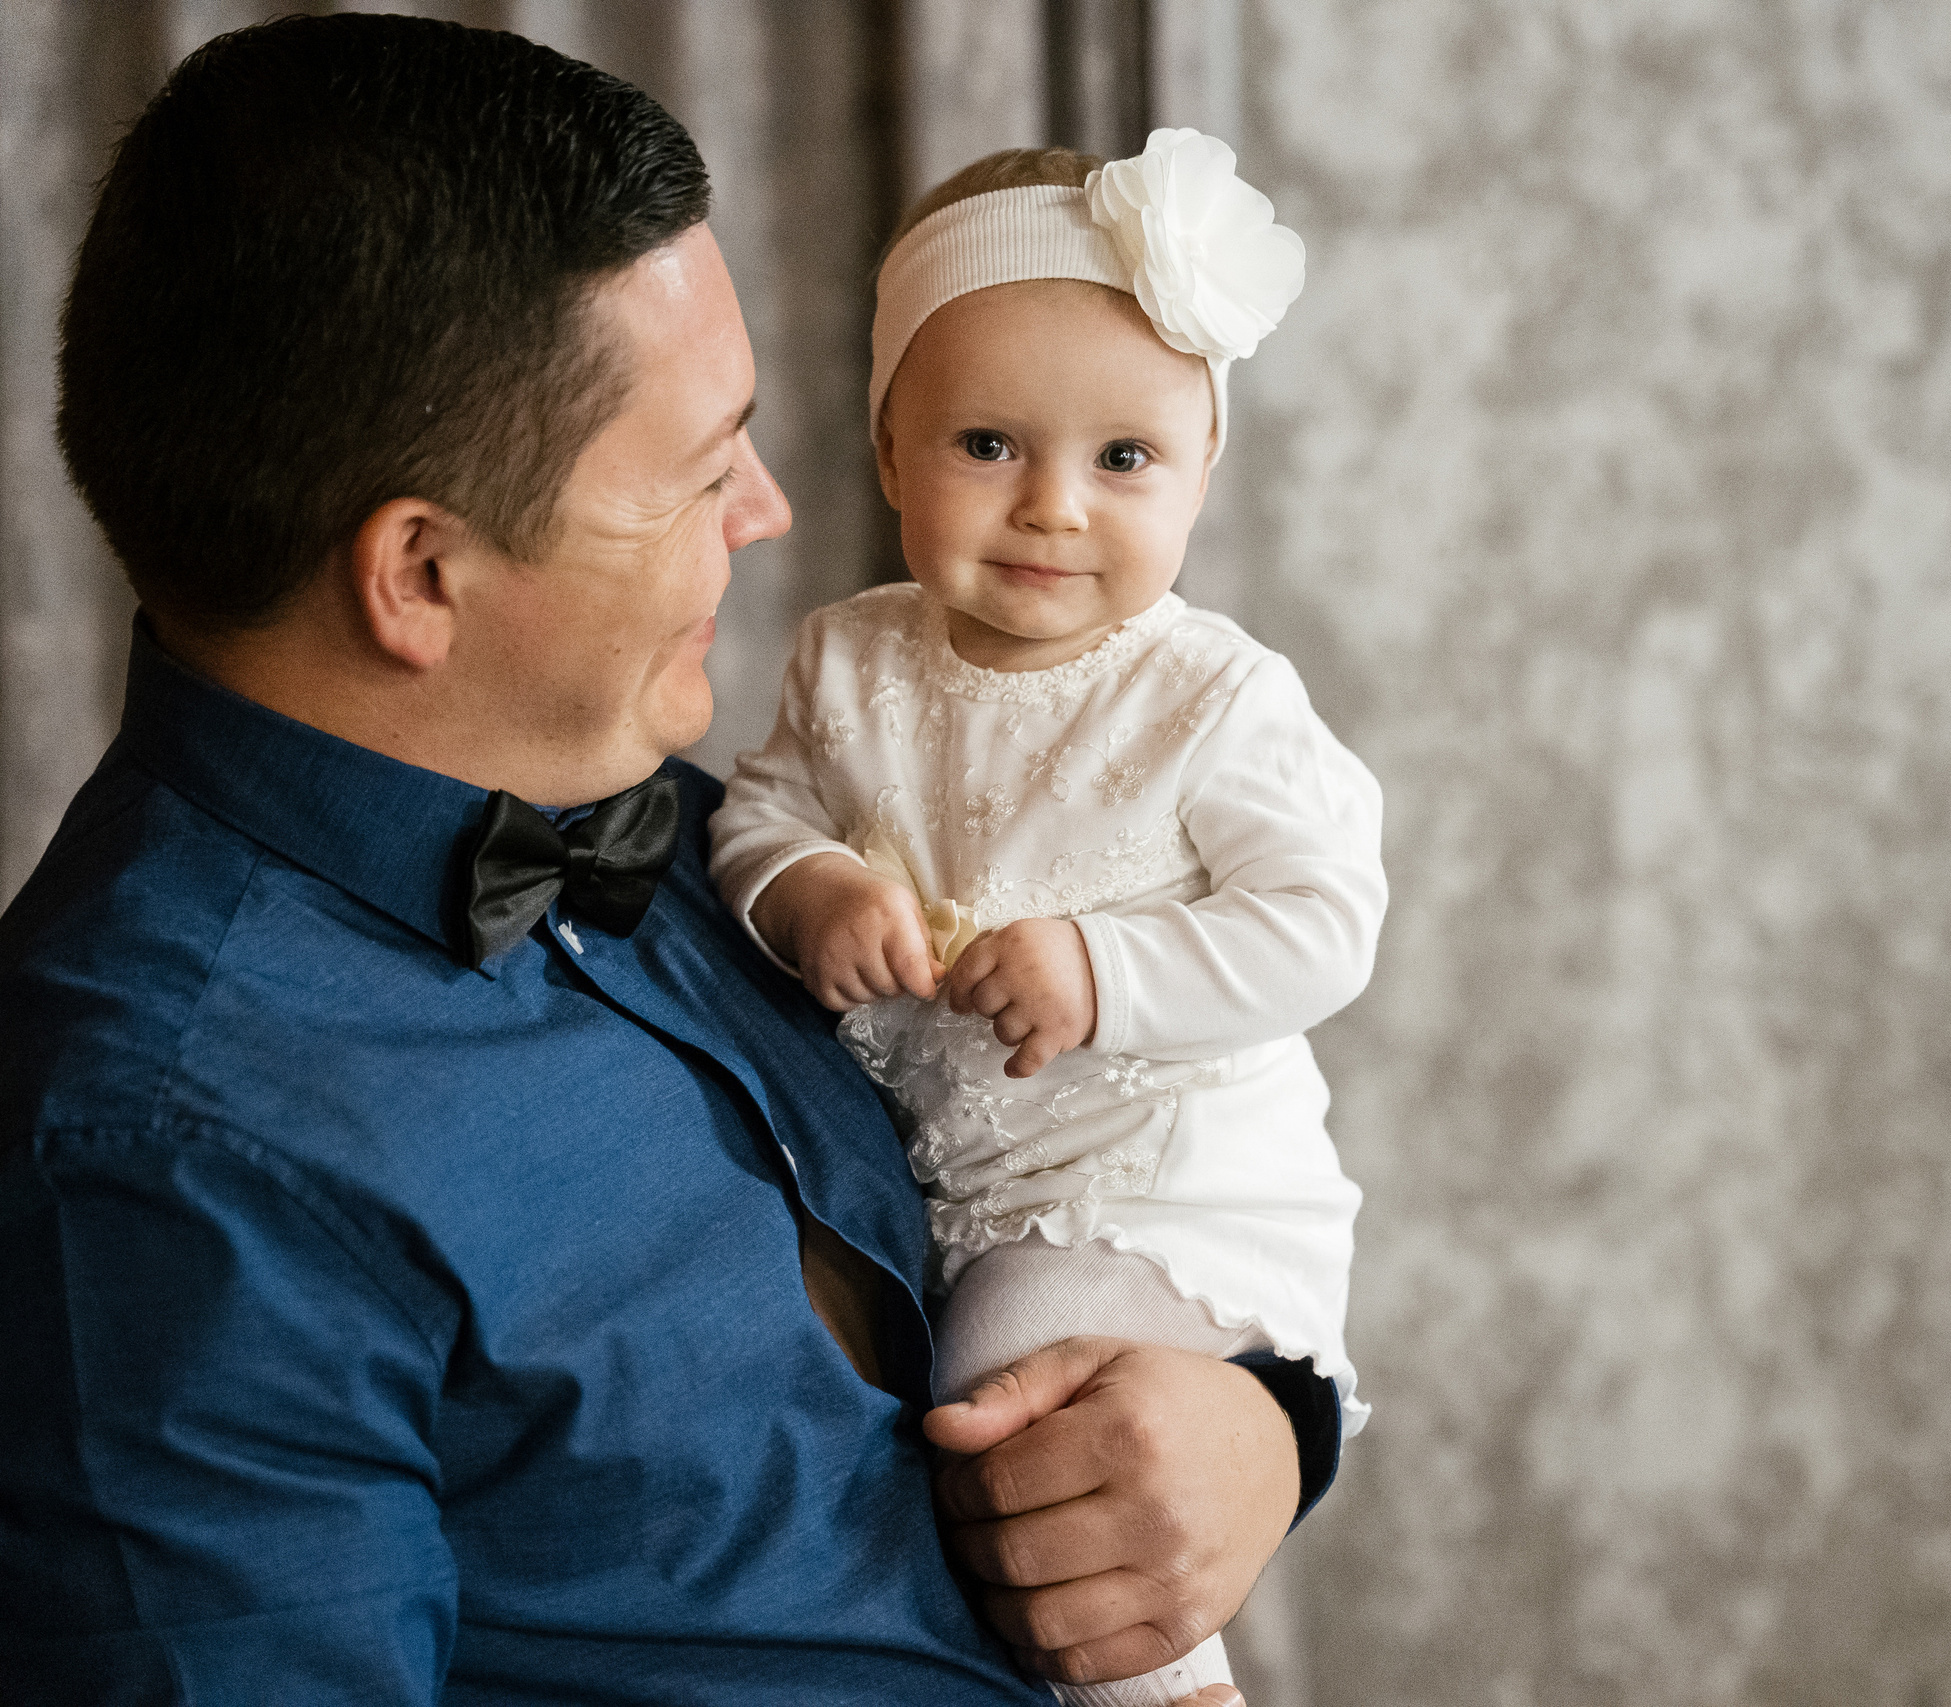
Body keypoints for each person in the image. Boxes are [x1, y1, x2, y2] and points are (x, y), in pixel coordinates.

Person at [0, 16, 1333, 1705]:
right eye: (702, 470)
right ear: (420, 574)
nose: (769, 510)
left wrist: (1253, 1432)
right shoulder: (162, 1163)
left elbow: (1094, 1186)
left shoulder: (717, 826)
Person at [709, 133, 1384, 1707]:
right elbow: (755, 819)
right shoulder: (847, 663)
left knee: (1013, 1401)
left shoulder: (1211, 702)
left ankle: (1174, 1687)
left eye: (1124, 460)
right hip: (970, 1177)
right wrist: (810, 890)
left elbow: (1324, 922)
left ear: (1203, 467)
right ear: (888, 450)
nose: (1053, 511)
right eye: (990, 444)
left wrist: (1107, 966)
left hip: (1164, 1186)